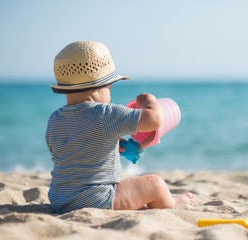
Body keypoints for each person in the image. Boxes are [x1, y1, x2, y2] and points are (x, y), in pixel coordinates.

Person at [46, 41, 194, 214]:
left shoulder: (54, 119)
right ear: (100, 87)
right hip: (98, 200)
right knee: (155, 183)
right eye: (110, 86)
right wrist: (147, 100)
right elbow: (155, 119)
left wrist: (106, 146)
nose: (110, 90)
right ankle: (173, 203)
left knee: (131, 188)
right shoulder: (105, 113)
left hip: (59, 200)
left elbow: (68, 153)